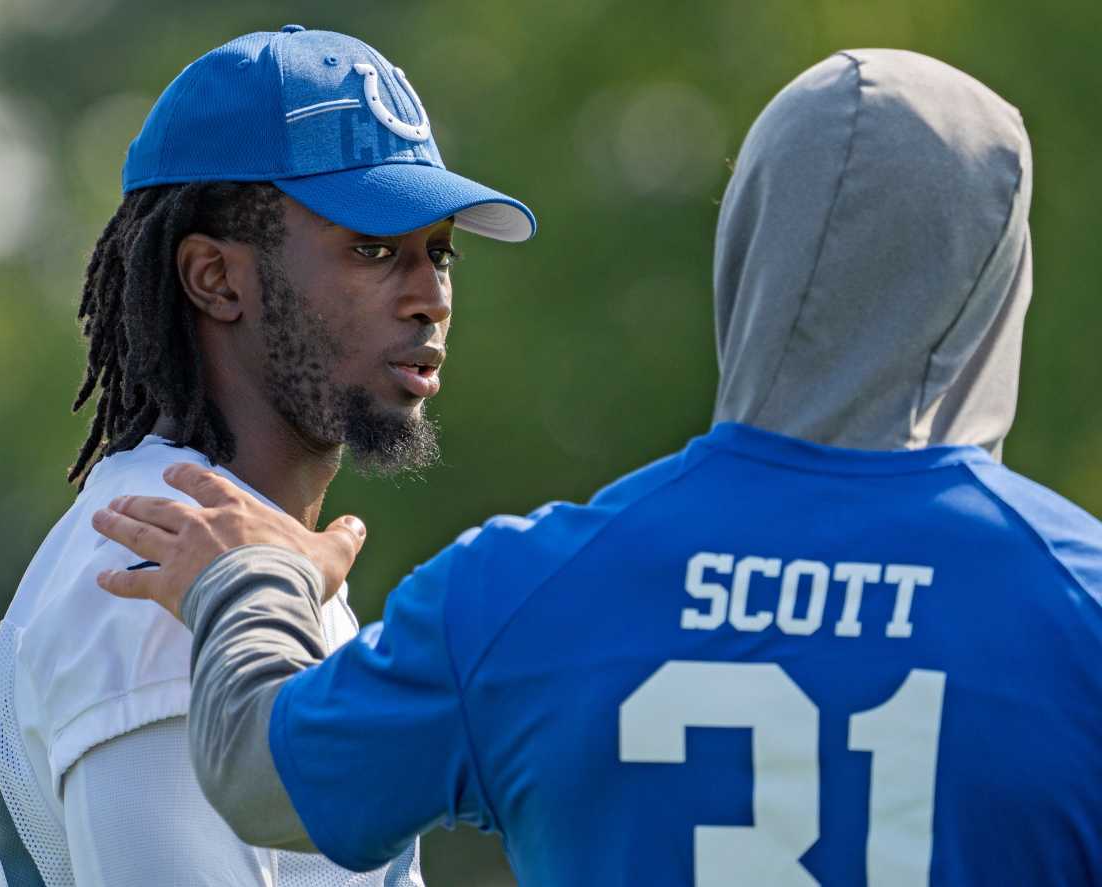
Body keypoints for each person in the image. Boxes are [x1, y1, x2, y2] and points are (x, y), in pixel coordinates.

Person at [95, 49, 1102, 885]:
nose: (431, 296)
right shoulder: (1078, 603)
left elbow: (258, 771)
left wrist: (246, 578)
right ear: (995, 282)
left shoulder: (523, 590)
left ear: (750, 241)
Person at [0, 25, 535, 887]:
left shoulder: (254, 560)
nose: (430, 297)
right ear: (215, 279)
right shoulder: (155, 577)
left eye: (440, 252)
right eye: (373, 248)